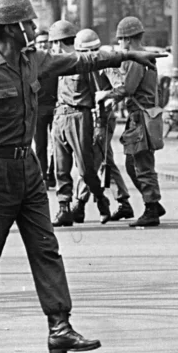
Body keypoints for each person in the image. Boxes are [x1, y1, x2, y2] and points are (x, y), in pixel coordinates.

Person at [0, 0, 165, 353]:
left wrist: (129, 54)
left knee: (47, 249)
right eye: (27, 23)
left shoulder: (32, 60)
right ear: (7, 29)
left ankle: (60, 329)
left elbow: (81, 61)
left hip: (29, 171)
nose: (33, 27)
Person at [96, 16, 165, 227]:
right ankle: (152, 202)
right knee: (133, 162)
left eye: (120, 40)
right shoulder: (143, 57)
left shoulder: (137, 60)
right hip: (143, 115)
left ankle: (152, 207)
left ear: (127, 39)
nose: (119, 45)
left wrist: (105, 96)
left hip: (140, 118)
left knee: (141, 164)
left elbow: (128, 88)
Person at [48, 20, 112, 226]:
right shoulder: (56, 62)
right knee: (60, 167)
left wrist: (100, 124)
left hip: (79, 116)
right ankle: (64, 208)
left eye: (55, 43)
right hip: (60, 116)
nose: (53, 47)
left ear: (62, 43)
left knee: (85, 169)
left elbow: (99, 95)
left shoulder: (82, 63)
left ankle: (101, 199)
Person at [71, 28, 134, 223]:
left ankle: (79, 203)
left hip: (100, 119)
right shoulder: (86, 64)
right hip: (90, 118)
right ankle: (123, 201)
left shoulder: (105, 63)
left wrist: (106, 97)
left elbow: (120, 86)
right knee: (105, 160)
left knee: (90, 162)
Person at [34, 30, 57, 189]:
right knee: (40, 145)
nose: (43, 44)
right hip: (38, 109)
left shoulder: (56, 60)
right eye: (40, 42)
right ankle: (43, 176)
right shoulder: (31, 63)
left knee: (57, 145)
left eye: (45, 41)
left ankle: (52, 173)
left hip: (56, 109)